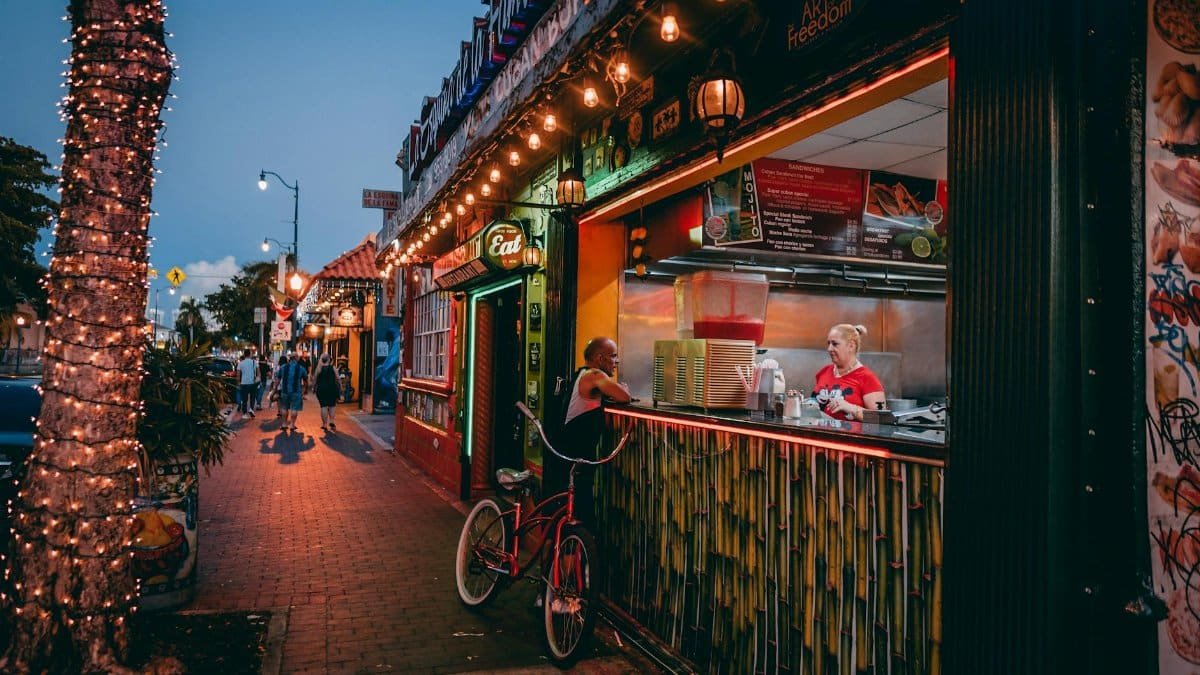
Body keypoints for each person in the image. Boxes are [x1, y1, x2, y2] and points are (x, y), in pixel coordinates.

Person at [544, 336, 632, 526]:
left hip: (569, 459)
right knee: (580, 516)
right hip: (574, 462)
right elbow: (624, 396)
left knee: (569, 517)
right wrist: (621, 388)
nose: (617, 361)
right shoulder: (594, 376)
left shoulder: (580, 375)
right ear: (600, 358)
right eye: (613, 356)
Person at [812, 323, 886, 422]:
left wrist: (851, 408)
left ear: (851, 345)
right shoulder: (824, 372)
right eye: (828, 343)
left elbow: (881, 419)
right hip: (819, 435)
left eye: (835, 344)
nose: (829, 349)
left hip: (850, 436)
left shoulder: (867, 378)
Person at [276, 353, 309, 432]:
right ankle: (292, 425)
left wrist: (275, 389)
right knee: (294, 408)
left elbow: (278, 379)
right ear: (296, 358)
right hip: (296, 391)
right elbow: (305, 380)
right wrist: (305, 390)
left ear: (290, 359)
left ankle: (284, 424)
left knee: (284, 407)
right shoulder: (301, 368)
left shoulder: (283, 367)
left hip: (285, 391)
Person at [314, 353, 341, 432]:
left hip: (321, 389)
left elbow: (314, 379)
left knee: (323, 406)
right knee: (332, 405)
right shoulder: (333, 368)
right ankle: (332, 421)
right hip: (332, 389)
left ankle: (324, 424)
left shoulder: (319, 368)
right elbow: (338, 378)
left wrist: (313, 387)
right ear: (329, 359)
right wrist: (341, 387)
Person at [235, 350, 258, 419]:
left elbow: (238, 375)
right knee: (252, 397)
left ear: (244, 355)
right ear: (250, 354)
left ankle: (245, 414)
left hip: (244, 383)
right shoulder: (254, 362)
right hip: (252, 383)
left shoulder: (241, 363)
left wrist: (238, 382)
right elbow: (258, 372)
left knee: (244, 399)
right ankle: (251, 408)